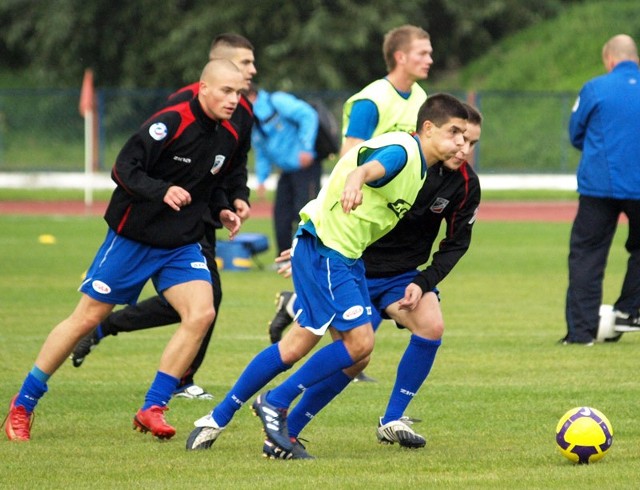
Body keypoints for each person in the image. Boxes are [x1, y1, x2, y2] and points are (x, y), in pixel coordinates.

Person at [185, 93, 469, 458]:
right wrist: (356, 180)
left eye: (466, 136)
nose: (461, 143)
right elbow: (368, 169)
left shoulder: (420, 168)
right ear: (428, 129)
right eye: (454, 132)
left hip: (337, 255)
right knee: (360, 344)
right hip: (329, 254)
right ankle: (276, 402)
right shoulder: (405, 152)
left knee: (308, 347)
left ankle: (218, 418)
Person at [3, 59, 245, 442]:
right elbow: (123, 169)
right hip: (133, 239)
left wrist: (225, 210)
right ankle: (23, 404)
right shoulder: (170, 122)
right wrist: (161, 191)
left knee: (201, 313)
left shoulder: (226, 137)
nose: (234, 99)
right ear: (203, 88)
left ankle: (153, 407)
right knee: (85, 319)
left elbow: (206, 187)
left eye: (239, 92)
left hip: (180, 244)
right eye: (226, 91)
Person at [267, 104, 482, 456]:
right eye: (458, 137)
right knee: (354, 355)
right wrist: (312, 246)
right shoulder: (409, 160)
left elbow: (456, 244)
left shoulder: (465, 185)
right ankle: (284, 426)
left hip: (401, 277)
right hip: (356, 267)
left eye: (471, 142)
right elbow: (354, 182)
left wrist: (424, 281)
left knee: (431, 325)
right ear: (437, 132)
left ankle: (392, 419)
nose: (463, 148)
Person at [69, 33, 257, 400]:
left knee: (203, 305)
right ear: (219, 68)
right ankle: (176, 378)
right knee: (203, 304)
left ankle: (171, 377)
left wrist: (236, 198)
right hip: (167, 217)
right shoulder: (183, 106)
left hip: (202, 214)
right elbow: (138, 161)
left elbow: (234, 163)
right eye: (245, 63)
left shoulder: (243, 112)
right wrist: (163, 194)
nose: (253, 70)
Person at [268, 24, 433, 345]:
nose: (430, 59)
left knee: (370, 282)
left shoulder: (421, 99)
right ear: (400, 56)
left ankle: (308, 315)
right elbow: (350, 158)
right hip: (357, 208)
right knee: (362, 281)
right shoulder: (372, 100)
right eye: (422, 52)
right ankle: (346, 356)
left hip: (387, 209)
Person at [562, 34, 640, 345]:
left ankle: (581, 334)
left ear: (609, 59)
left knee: (587, 256)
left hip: (600, 186)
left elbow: (576, 134)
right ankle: (629, 311)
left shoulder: (595, 87)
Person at [248, 86, 320, 255]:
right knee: (281, 216)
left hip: (305, 168)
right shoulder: (253, 119)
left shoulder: (277, 101)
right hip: (286, 171)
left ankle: (311, 257)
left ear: (251, 95)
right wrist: (262, 178)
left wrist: (307, 147)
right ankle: (285, 259)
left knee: (306, 214)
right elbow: (261, 150)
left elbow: (308, 115)